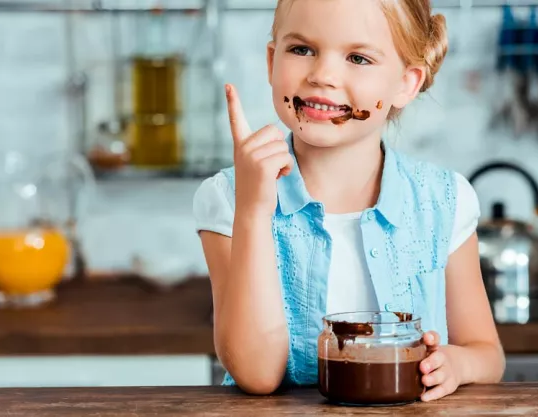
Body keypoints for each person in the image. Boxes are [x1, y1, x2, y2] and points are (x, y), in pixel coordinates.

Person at [192, 0, 506, 402]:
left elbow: (487, 354)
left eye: (358, 57)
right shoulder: (228, 200)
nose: (322, 75)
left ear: (406, 84)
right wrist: (253, 210)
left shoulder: (445, 201)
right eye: (301, 49)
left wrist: (456, 364)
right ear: (272, 60)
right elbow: (257, 373)